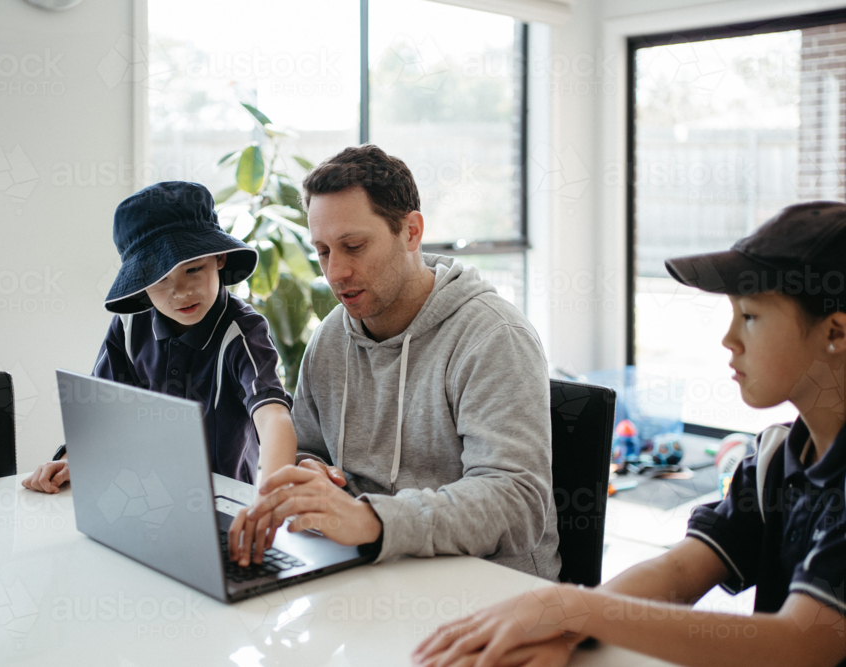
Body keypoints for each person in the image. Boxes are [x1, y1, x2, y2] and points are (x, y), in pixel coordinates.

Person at [413, 201, 846, 667]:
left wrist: (579, 608)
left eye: (751, 316)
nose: (728, 339)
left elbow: (803, 644)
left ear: (836, 332)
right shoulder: (774, 458)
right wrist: (568, 628)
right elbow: (680, 570)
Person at [227, 145, 561, 578]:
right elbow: (308, 446)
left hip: (490, 589)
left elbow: (515, 502)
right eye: (324, 251)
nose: (334, 273)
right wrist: (311, 472)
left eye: (354, 246)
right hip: (373, 572)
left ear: (411, 232)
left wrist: (370, 519)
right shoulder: (332, 335)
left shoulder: (494, 338)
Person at [22, 181, 297, 495]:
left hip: (222, 502)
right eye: (159, 279)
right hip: (141, 496)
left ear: (220, 258)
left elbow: (273, 414)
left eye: (193, 269)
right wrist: (74, 459)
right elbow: (102, 413)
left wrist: (274, 495)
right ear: (139, 282)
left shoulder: (243, 332)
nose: (180, 292)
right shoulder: (128, 326)